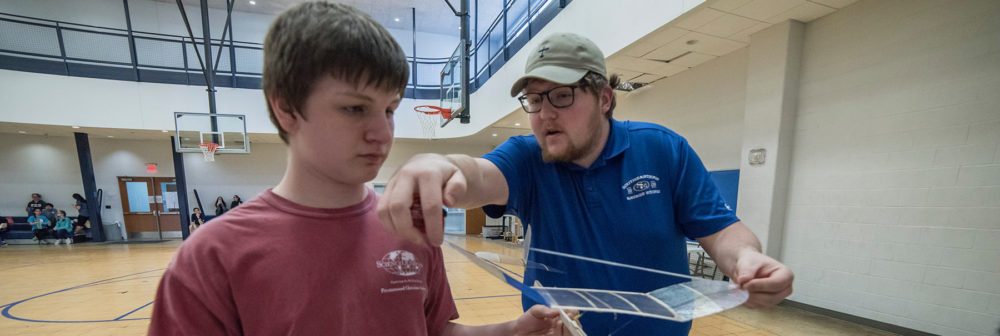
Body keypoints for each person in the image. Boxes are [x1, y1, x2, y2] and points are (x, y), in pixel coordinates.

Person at [148, 3, 570, 335]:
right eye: (354, 108)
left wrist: (511, 332)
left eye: (389, 109)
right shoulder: (211, 257)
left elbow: (433, 331)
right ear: (285, 106)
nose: (381, 132)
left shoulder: (411, 224)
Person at [378, 32, 795, 335]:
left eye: (561, 95)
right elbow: (477, 174)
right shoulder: (528, 157)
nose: (544, 114)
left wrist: (745, 261)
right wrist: (436, 163)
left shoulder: (663, 150)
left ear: (605, 99)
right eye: (535, 100)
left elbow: (721, 231)